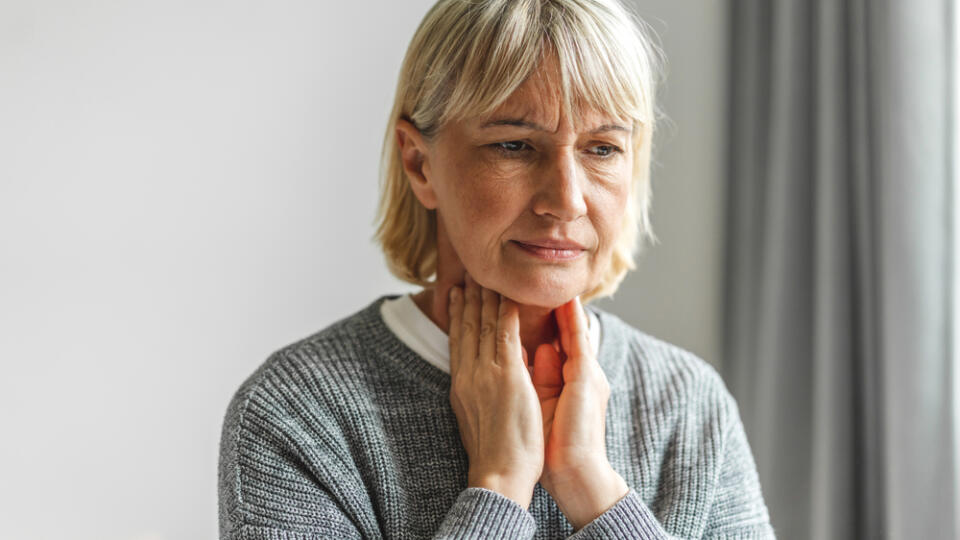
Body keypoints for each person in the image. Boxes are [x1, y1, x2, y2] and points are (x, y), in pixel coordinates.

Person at [218, 0, 775, 538]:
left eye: (602, 149)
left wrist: (595, 491)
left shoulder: (688, 403)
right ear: (420, 164)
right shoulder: (297, 413)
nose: (567, 200)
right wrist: (499, 490)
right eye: (513, 144)